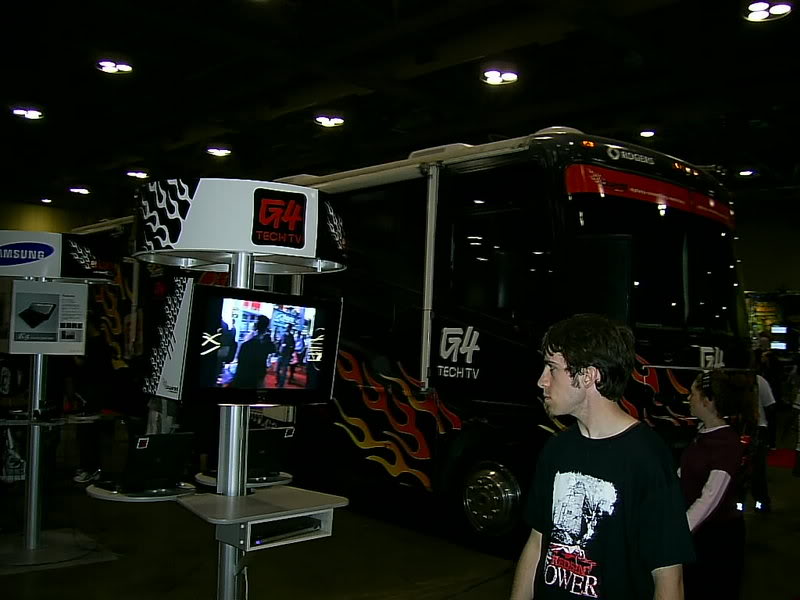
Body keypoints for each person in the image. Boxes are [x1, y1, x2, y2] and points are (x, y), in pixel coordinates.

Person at [510, 314, 694, 600]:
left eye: (552, 368)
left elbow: (668, 577)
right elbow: (537, 542)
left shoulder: (647, 457)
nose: (541, 381)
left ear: (588, 375)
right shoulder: (557, 449)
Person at [679, 370, 747, 600]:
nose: (689, 398)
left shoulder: (727, 444)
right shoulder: (702, 434)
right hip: (697, 536)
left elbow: (709, 498)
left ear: (708, 400)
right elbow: (683, 474)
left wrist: (678, 531)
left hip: (716, 542)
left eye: (693, 394)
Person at [232, 315, 275, 389]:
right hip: (257, 376)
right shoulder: (265, 344)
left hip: (243, 376)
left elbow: (240, 360)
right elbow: (273, 350)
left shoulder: (246, 344)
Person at [276, 323, 296, 388]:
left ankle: (281, 384)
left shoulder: (291, 337)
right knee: (277, 370)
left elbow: (293, 346)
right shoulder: (283, 335)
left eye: (288, 327)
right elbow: (279, 343)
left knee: (284, 371)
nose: (287, 328)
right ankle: (278, 381)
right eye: (286, 327)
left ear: (290, 328)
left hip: (286, 355)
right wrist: (277, 350)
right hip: (280, 354)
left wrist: (288, 348)